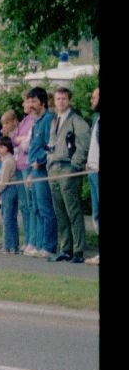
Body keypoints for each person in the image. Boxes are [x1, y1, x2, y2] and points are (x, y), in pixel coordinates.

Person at [46, 85, 90, 263]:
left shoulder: (76, 120)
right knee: (60, 212)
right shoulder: (54, 120)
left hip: (67, 168)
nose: (61, 102)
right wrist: (49, 160)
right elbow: (51, 143)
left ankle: (78, 250)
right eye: (58, 99)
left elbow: (84, 143)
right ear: (54, 101)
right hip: (53, 169)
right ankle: (66, 248)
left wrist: (75, 165)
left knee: (73, 211)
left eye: (64, 98)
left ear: (69, 100)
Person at [23, 87, 57, 258]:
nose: (31, 105)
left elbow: (52, 145)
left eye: (34, 101)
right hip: (34, 171)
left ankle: (49, 246)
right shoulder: (36, 121)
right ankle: (40, 244)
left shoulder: (49, 119)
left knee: (46, 209)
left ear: (42, 102)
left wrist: (40, 161)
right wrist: (30, 172)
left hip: (43, 171)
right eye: (29, 101)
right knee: (37, 209)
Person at [0, 137, 21, 254]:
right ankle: (13, 245)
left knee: (7, 218)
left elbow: (4, 180)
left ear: (7, 147)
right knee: (11, 218)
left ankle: (7, 245)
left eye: (1, 147)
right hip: (11, 189)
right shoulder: (6, 160)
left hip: (9, 190)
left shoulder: (8, 161)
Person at [86, 86, 99, 264]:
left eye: (95, 97)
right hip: (92, 171)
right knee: (96, 213)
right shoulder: (96, 119)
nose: (91, 100)